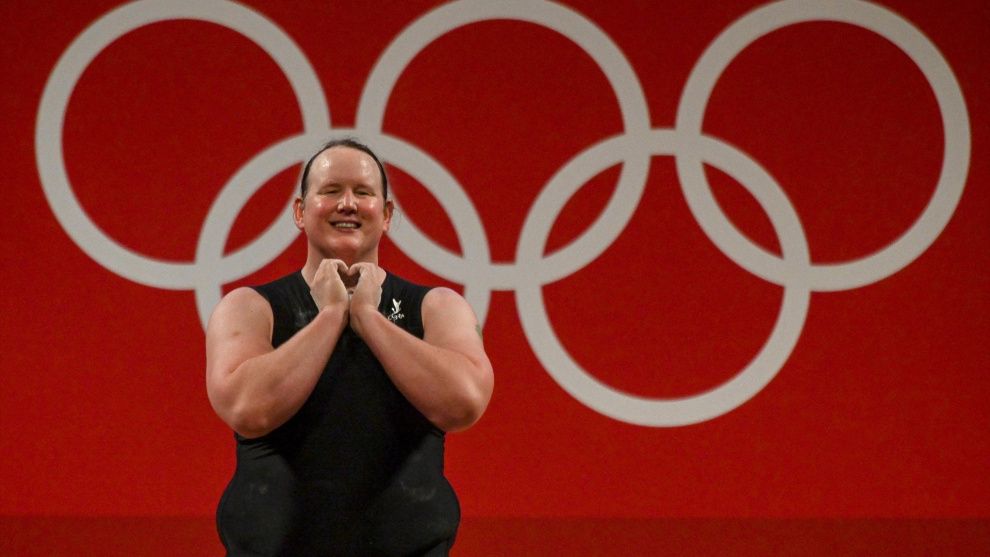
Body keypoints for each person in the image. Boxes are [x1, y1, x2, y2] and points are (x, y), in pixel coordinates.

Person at [205, 138, 494, 556]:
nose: (347, 204)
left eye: (362, 192)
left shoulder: (438, 307)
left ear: (387, 214)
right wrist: (330, 315)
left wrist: (369, 318)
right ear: (300, 212)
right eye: (330, 191)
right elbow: (248, 409)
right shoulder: (249, 308)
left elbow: (463, 403)